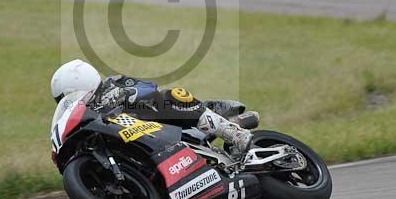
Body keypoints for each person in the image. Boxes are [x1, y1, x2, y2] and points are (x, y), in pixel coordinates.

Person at [50, 59, 255, 155]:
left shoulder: (114, 84)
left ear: (83, 81)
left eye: (71, 94)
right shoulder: (86, 117)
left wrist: (126, 94)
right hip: (144, 145)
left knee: (172, 96)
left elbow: (149, 87)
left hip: (164, 126)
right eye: (65, 99)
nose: (71, 100)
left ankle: (233, 133)